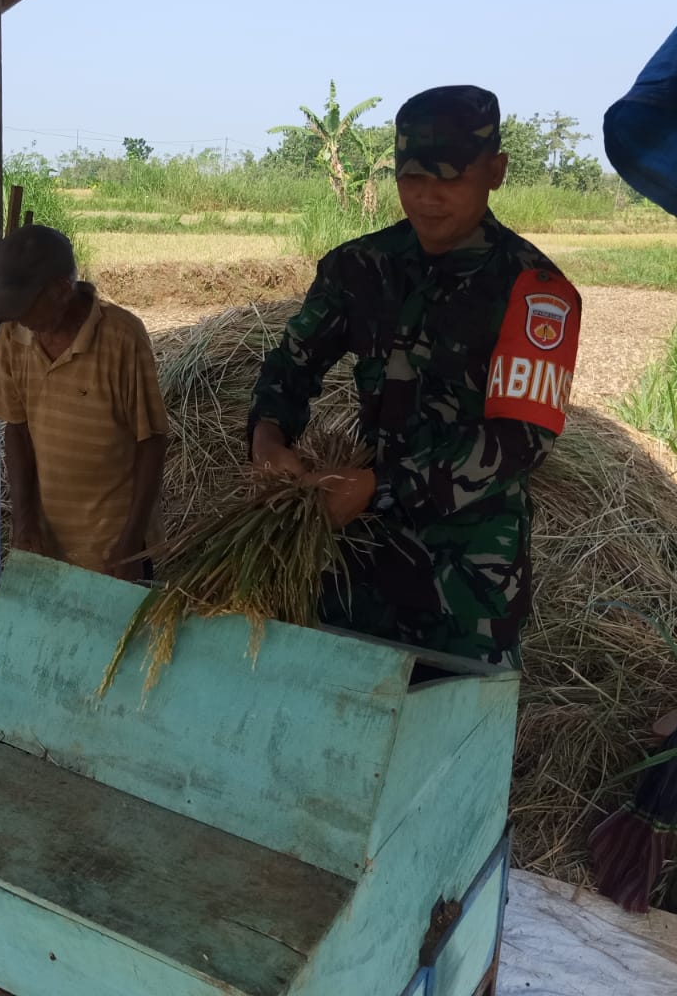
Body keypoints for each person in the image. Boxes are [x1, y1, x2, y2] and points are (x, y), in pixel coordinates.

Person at [249, 85, 582, 665]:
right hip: (357, 566)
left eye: (450, 179)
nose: (428, 198)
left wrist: (378, 487)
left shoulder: (533, 292)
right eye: (411, 179)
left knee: (448, 739)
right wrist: (268, 435)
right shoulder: (358, 268)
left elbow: (520, 441)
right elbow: (292, 363)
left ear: (496, 171)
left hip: (467, 584)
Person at [0, 224, 170, 581]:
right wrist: (24, 523)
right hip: (47, 545)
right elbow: (16, 430)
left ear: (62, 291)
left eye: (27, 305)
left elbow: (153, 440)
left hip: (114, 547)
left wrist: (129, 545)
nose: (19, 317)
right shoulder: (14, 335)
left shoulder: (123, 338)